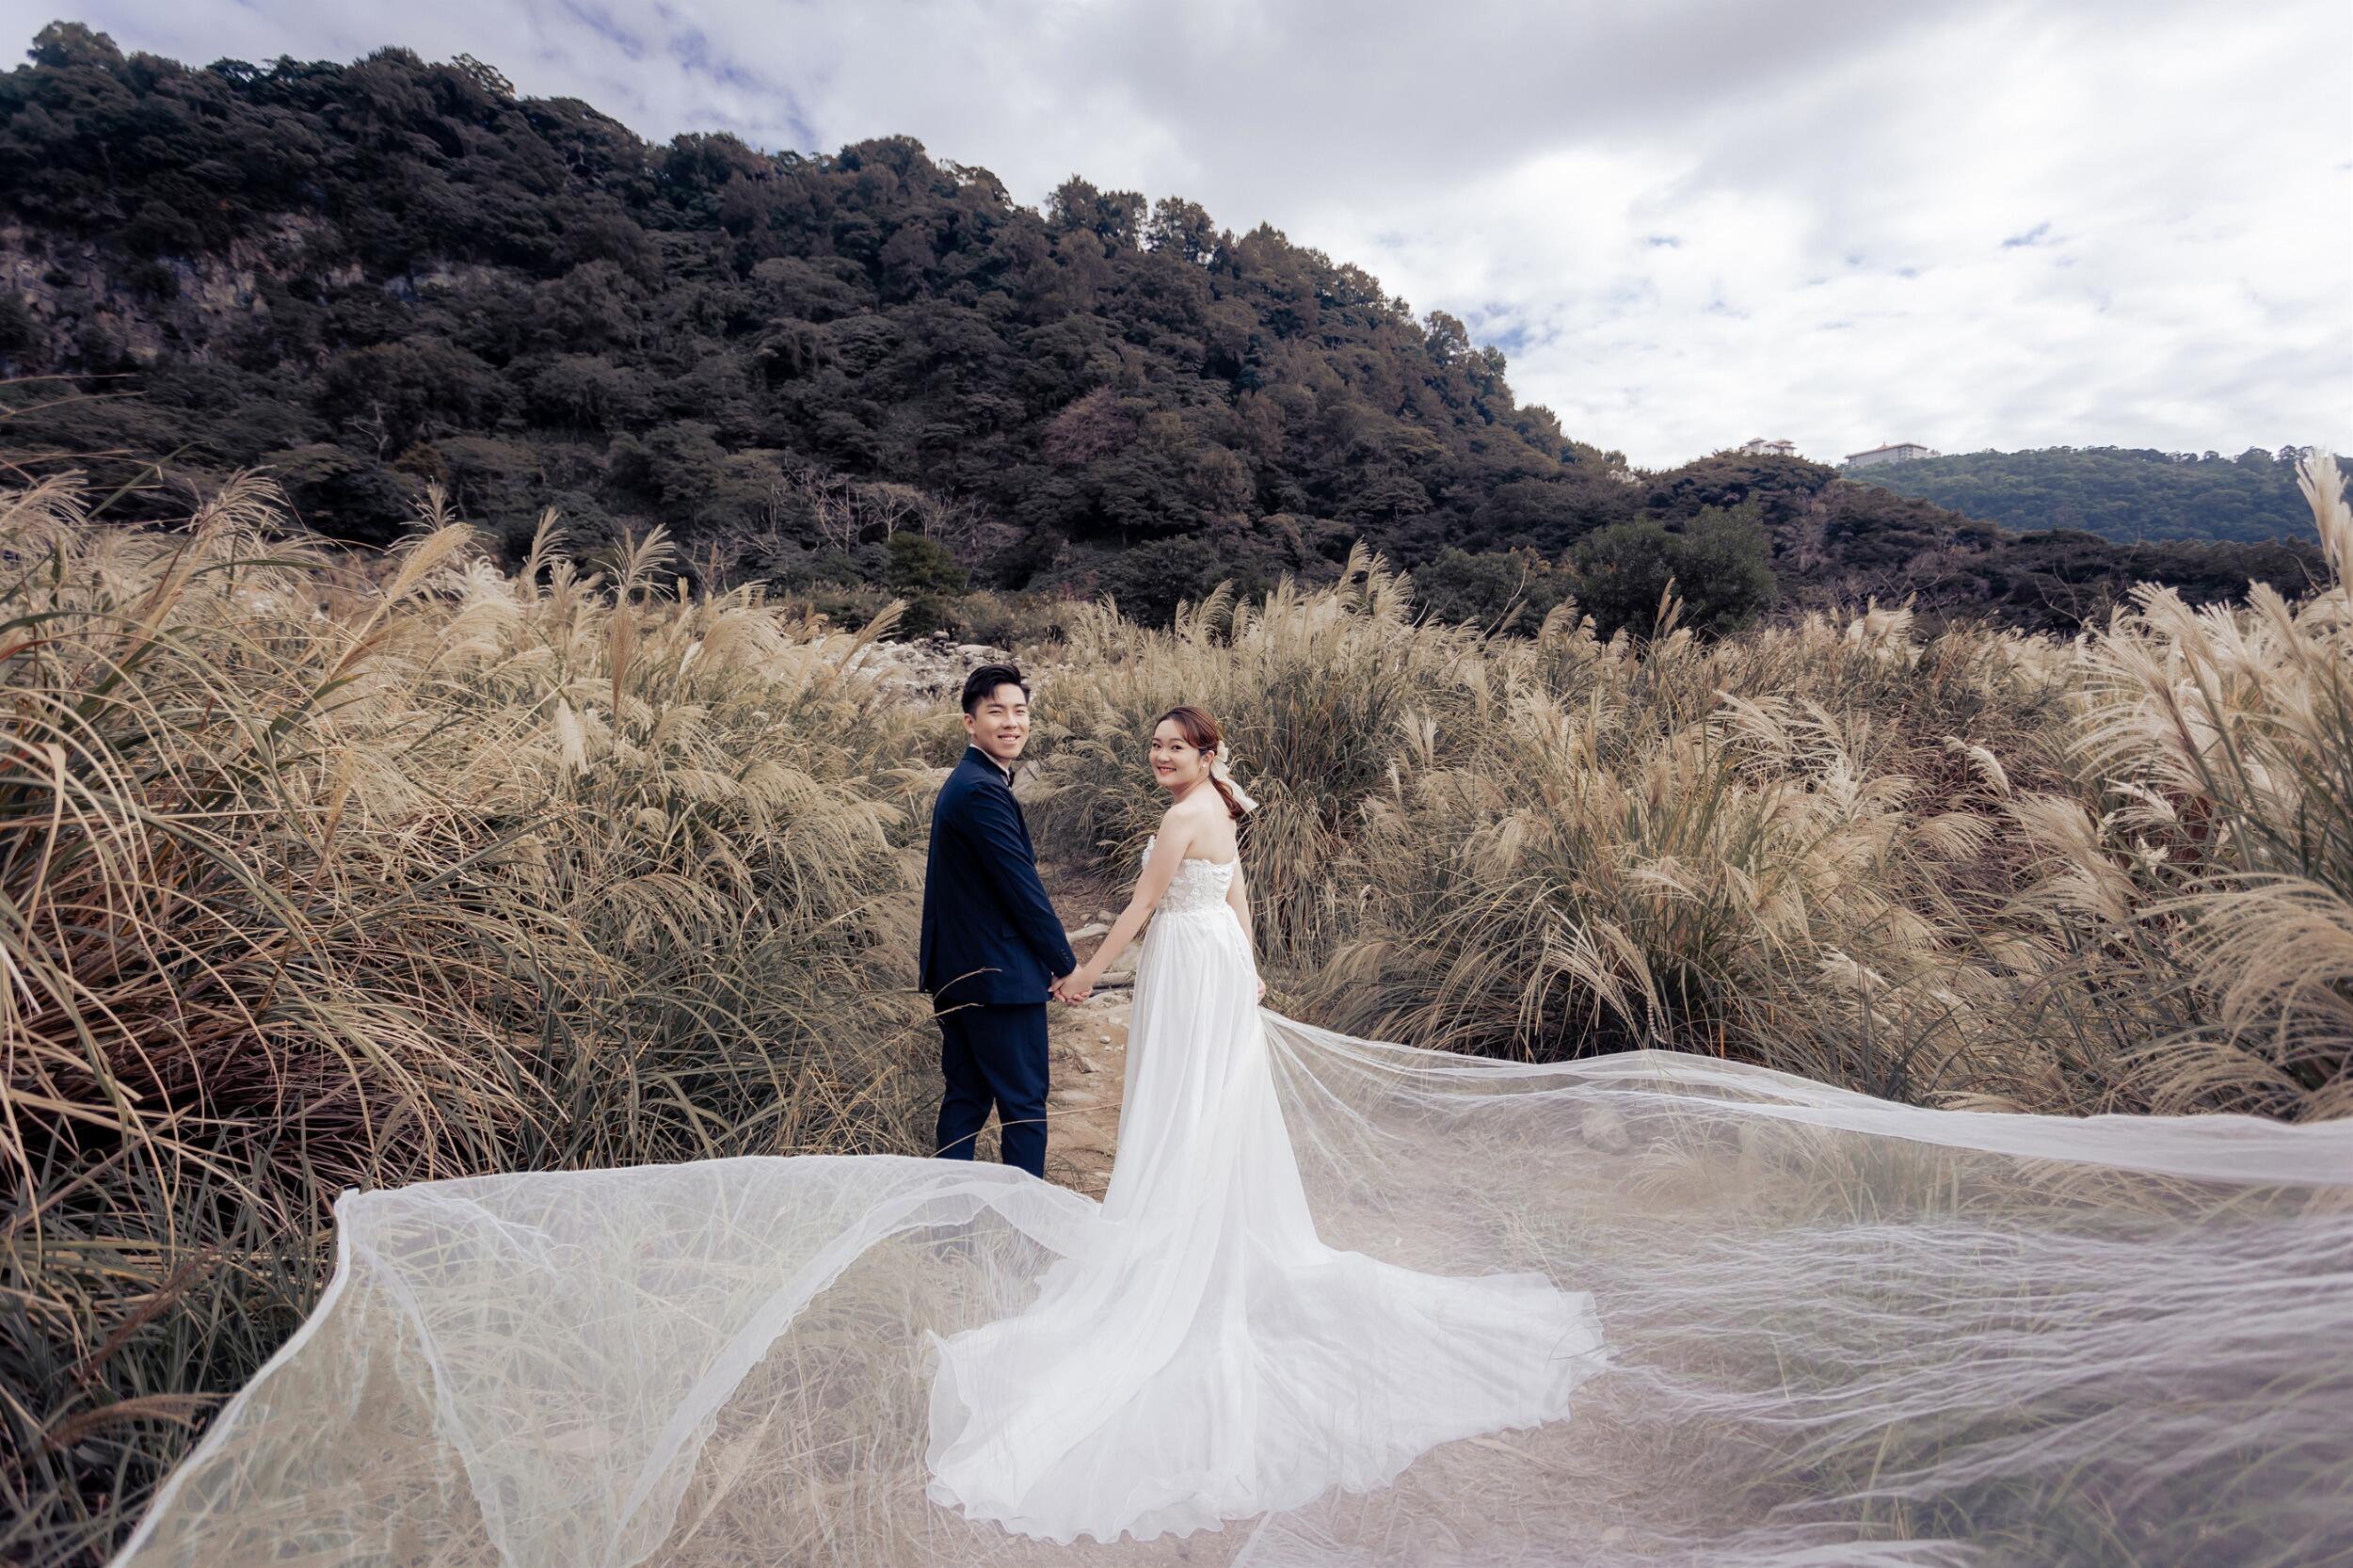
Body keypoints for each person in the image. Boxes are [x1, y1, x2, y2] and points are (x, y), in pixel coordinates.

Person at [922, 704, 1607, 1544]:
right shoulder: (1220, 804)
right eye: (1156, 746)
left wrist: (1085, 974)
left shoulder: (1184, 816)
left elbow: (1141, 906)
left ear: (1207, 754)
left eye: (1177, 747)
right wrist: (1248, 965)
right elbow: (1238, 891)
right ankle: (1205, 1219)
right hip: (1213, 957)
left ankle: (1184, 1235)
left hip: (1187, 959)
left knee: (1186, 1096)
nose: (1161, 756)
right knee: (1211, 1097)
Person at [918, 663, 1076, 1179]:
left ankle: (950, 1212)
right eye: (996, 712)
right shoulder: (981, 790)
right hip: (997, 978)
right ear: (970, 722)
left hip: (962, 971)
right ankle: (1023, 1221)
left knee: (966, 1098)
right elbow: (1021, 889)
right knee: (1023, 1105)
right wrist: (1064, 963)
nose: (1011, 722)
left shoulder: (971, 781)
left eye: (1020, 711)